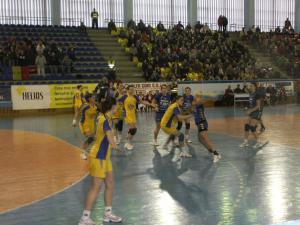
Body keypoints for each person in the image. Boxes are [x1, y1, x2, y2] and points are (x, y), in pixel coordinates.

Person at [78, 97, 122, 225]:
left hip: (105, 156)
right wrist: (115, 145)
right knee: (95, 188)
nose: (118, 107)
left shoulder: (104, 117)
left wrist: (113, 145)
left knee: (110, 183)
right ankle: (84, 218)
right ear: (112, 106)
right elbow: (109, 137)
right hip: (99, 156)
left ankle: (108, 214)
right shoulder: (104, 119)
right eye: (117, 105)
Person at [119, 85, 153, 150]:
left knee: (132, 130)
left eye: (133, 89)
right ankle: (127, 143)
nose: (132, 91)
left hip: (134, 115)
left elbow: (142, 102)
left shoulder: (135, 97)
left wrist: (151, 104)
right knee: (134, 129)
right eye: (130, 89)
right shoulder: (124, 97)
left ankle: (127, 141)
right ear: (128, 90)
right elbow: (117, 101)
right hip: (128, 116)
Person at [193, 92, 221, 163]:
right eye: (196, 96)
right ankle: (211, 151)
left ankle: (216, 154)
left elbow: (202, 101)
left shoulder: (199, 102)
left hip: (202, 122)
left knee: (205, 137)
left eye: (199, 96)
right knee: (200, 139)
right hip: (198, 123)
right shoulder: (194, 103)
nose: (197, 97)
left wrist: (211, 96)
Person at [240, 83, 268, 149]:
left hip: (257, 111)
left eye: (251, 86)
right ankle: (246, 142)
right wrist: (247, 108)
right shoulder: (251, 93)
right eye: (250, 86)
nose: (250, 87)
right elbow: (251, 103)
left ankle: (259, 143)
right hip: (252, 111)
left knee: (252, 128)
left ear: (255, 87)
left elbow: (258, 106)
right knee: (246, 126)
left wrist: (250, 111)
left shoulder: (257, 94)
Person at [79, 93, 97, 160]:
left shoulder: (95, 106)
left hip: (91, 124)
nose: (94, 98)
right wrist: (74, 120)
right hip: (84, 124)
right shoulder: (85, 106)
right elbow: (78, 111)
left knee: (92, 138)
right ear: (89, 99)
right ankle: (82, 153)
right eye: (93, 97)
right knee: (90, 137)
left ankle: (87, 149)